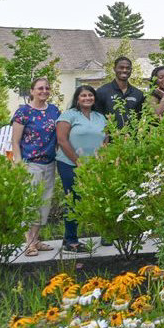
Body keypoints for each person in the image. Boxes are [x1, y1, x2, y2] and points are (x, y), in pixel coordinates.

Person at [11, 77, 60, 256]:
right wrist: (18, 164)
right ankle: (29, 242)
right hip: (30, 163)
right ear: (32, 91)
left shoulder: (54, 111)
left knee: (44, 202)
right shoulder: (23, 112)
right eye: (40, 88)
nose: (44, 91)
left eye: (47, 88)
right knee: (31, 203)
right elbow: (15, 142)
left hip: (49, 162)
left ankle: (36, 239)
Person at [55, 85, 108, 252]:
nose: (87, 98)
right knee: (73, 200)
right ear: (77, 99)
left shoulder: (100, 117)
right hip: (69, 164)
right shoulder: (69, 115)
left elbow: (106, 139)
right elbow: (62, 140)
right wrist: (78, 162)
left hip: (94, 165)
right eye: (83, 95)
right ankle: (70, 240)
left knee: (99, 198)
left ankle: (107, 233)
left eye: (90, 95)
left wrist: (101, 159)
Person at [95, 56, 144, 128]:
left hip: (132, 137)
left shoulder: (138, 94)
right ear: (114, 69)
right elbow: (97, 117)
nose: (124, 70)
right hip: (109, 137)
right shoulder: (102, 91)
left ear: (131, 70)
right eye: (121, 67)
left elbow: (139, 118)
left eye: (128, 68)